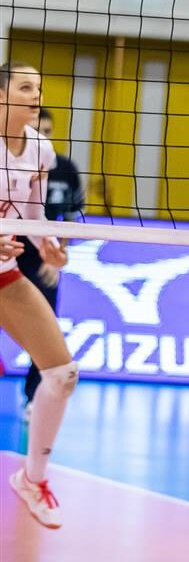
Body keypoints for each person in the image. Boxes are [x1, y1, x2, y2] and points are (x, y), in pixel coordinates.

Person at [1, 63, 77, 530]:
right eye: (26, 86)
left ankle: (33, 479)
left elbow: (32, 215)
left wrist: (47, 243)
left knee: (62, 375)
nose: (36, 95)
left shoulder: (40, 149)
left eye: (39, 87)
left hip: (4, 276)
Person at [17, 107, 84, 412]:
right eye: (36, 129)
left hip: (42, 254)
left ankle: (33, 398)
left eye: (46, 132)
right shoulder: (10, 160)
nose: (41, 136)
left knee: (45, 333)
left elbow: (68, 217)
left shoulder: (63, 168)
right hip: (9, 248)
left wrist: (55, 253)